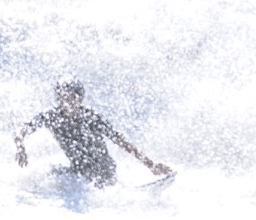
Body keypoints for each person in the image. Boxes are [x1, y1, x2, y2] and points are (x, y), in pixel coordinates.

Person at [14, 79, 173, 188]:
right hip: (78, 173)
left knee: (91, 179)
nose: (68, 103)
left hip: (104, 172)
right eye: (63, 98)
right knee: (48, 175)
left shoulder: (91, 117)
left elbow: (120, 141)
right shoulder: (52, 116)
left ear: (80, 99)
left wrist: (151, 165)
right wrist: (20, 145)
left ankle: (117, 190)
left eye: (72, 98)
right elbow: (22, 128)